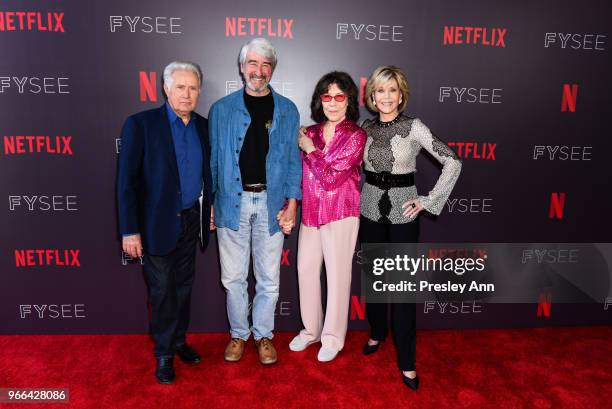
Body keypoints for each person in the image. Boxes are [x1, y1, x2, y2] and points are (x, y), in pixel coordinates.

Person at [360, 66, 462, 390]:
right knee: (375, 280)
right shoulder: (365, 128)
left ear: (401, 94)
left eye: (392, 90)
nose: (386, 97)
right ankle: (377, 333)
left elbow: (453, 160)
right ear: (372, 96)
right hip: (370, 209)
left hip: (404, 211)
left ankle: (407, 361)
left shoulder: (413, 126)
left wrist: (428, 200)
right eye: (380, 91)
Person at [117, 61, 213, 384]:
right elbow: (126, 182)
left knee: (184, 287)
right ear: (166, 89)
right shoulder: (141, 125)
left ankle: (179, 340)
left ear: (200, 91)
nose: (187, 94)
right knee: (161, 290)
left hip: (190, 221)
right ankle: (164, 354)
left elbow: (207, 176)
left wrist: (208, 210)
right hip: (156, 224)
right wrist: (130, 230)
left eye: (193, 88)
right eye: (181, 87)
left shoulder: (203, 126)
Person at [208, 38, 301, 365]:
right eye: (253, 64)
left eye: (265, 65)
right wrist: (211, 205)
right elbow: (214, 162)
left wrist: (292, 203)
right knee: (232, 277)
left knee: (269, 278)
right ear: (242, 66)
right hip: (231, 203)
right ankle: (238, 334)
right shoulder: (220, 109)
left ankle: (263, 335)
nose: (258, 71)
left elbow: (292, 160)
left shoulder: (288, 109)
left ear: (272, 69)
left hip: (271, 203)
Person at [289, 72, 366, 362]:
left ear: (348, 101)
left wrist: (310, 150)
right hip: (311, 213)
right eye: (326, 97)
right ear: (319, 101)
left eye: (339, 97)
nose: (332, 103)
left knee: (338, 277)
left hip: (341, 212)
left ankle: (333, 338)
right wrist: (290, 205)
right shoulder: (309, 131)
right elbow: (298, 175)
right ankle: (311, 331)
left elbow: (332, 177)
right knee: (306, 271)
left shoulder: (356, 135)